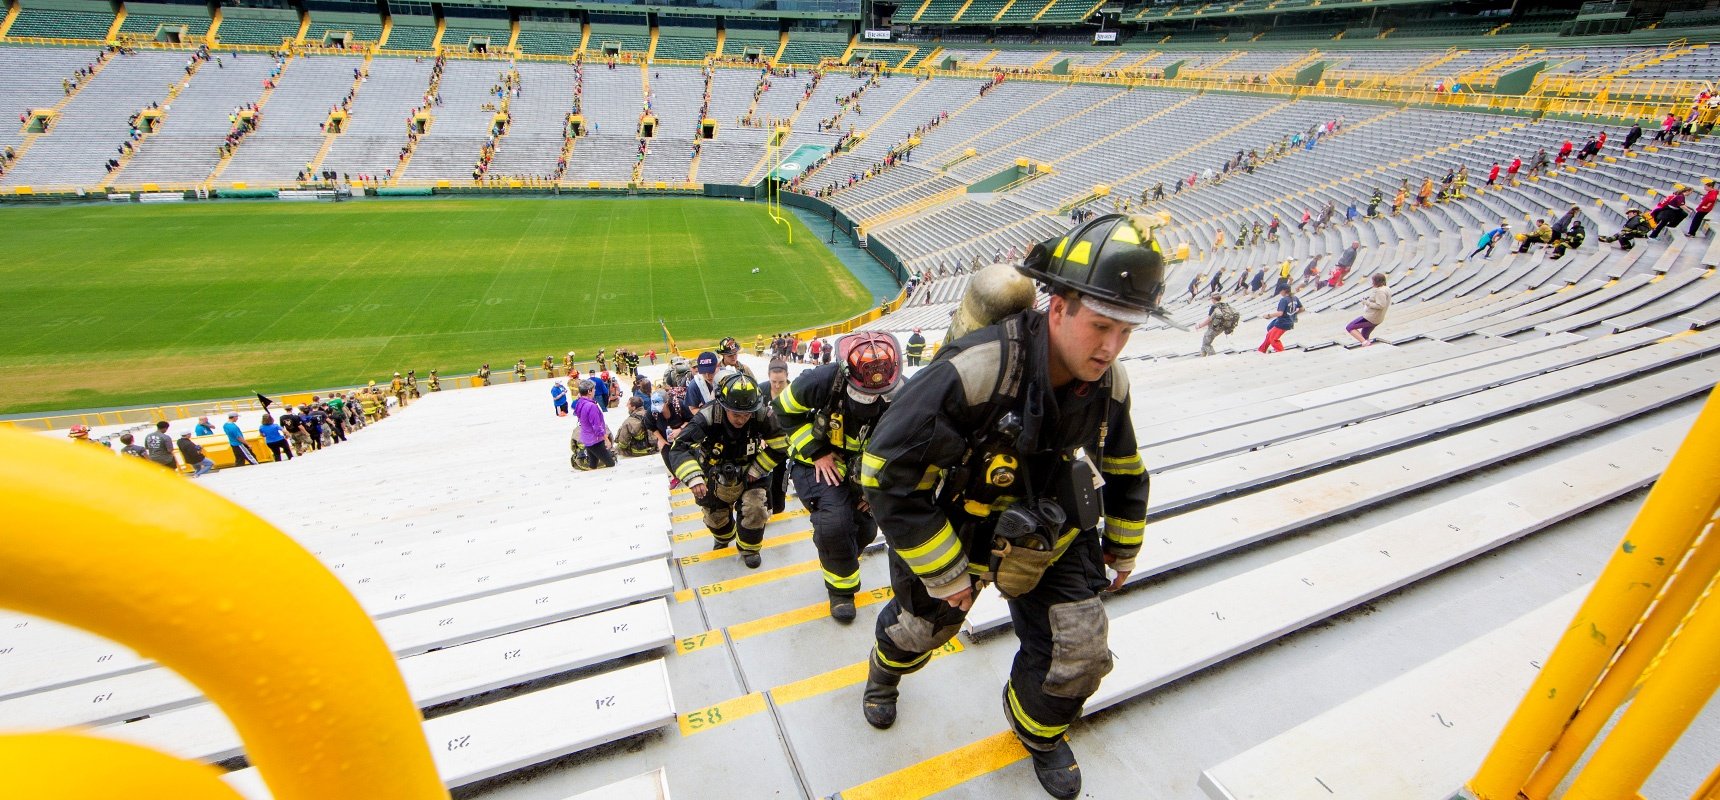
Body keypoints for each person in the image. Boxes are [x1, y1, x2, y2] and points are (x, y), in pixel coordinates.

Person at [857, 214, 1155, 799]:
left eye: (1126, 331)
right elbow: (885, 472)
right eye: (1100, 326)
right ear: (1060, 307)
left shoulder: (1111, 383)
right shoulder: (973, 371)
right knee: (922, 630)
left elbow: (1124, 466)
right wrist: (943, 575)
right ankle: (884, 674)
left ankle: (1038, 732)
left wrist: (1123, 543)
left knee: (1081, 650)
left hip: (1053, 528)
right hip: (961, 530)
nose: (1111, 348)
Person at [775, 332, 902, 622]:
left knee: (865, 530)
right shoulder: (819, 380)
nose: (872, 398)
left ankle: (834, 551)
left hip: (867, 471)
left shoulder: (902, 393)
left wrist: (875, 492)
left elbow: (906, 449)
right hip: (818, 461)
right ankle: (841, 592)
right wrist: (817, 451)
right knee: (835, 520)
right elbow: (783, 411)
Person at [668, 373, 786, 568]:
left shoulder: (762, 414)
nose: (741, 420)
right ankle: (724, 536)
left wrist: (757, 469)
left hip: (751, 470)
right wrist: (694, 477)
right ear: (723, 406)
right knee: (716, 519)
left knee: (756, 508)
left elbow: (781, 444)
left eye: (747, 415)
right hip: (713, 472)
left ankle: (749, 548)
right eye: (736, 414)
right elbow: (679, 447)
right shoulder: (706, 416)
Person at [764, 359, 792, 515]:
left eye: (781, 382)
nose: (777, 385)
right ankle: (766, 506)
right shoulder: (761, 390)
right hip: (766, 443)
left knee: (781, 477)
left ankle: (778, 506)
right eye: (773, 381)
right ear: (768, 376)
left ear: (787, 376)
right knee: (765, 476)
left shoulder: (795, 391)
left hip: (787, 444)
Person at [571, 379, 615, 469]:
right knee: (611, 464)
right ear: (589, 391)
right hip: (595, 440)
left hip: (587, 438)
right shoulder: (591, 406)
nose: (595, 391)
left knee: (593, 465)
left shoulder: (580, 403)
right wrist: (606, 439)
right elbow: (597, 426)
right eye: (594, 389)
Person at [1347, 274, 1391, 346]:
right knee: (1364, 336)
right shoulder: (1387, 288)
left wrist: (1367, 303)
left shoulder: (1380, 291)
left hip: (1371, 317)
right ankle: (1367, 345)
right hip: (1378, 318)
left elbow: (1381, 305)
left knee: (1350, 327)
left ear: (1376, 282)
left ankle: (1365, 343)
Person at [1259, 285, 1303, 354]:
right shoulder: (1295, 298)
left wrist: (1268, 315)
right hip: (1289, 321)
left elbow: (1280, 313)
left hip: (1282, 322)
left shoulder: (1284, 300)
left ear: (1283, 291)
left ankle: (1281, 352)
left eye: (1280, 291)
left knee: (1273, 339)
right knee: (1269, 333)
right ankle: (1261, 350)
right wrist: (1292, 314)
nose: (1280, 293)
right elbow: (1302, 309)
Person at [1194, 292, 1237, 357]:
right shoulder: (1225, 305)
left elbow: (1208, 320)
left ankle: (1213, 357)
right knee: (1205, 340)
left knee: (1206, 344)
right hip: (1222, 327)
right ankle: (1202, 356)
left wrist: (1199, 326)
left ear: (1213, 299)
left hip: (1214, 328)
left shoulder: (1214, 307)